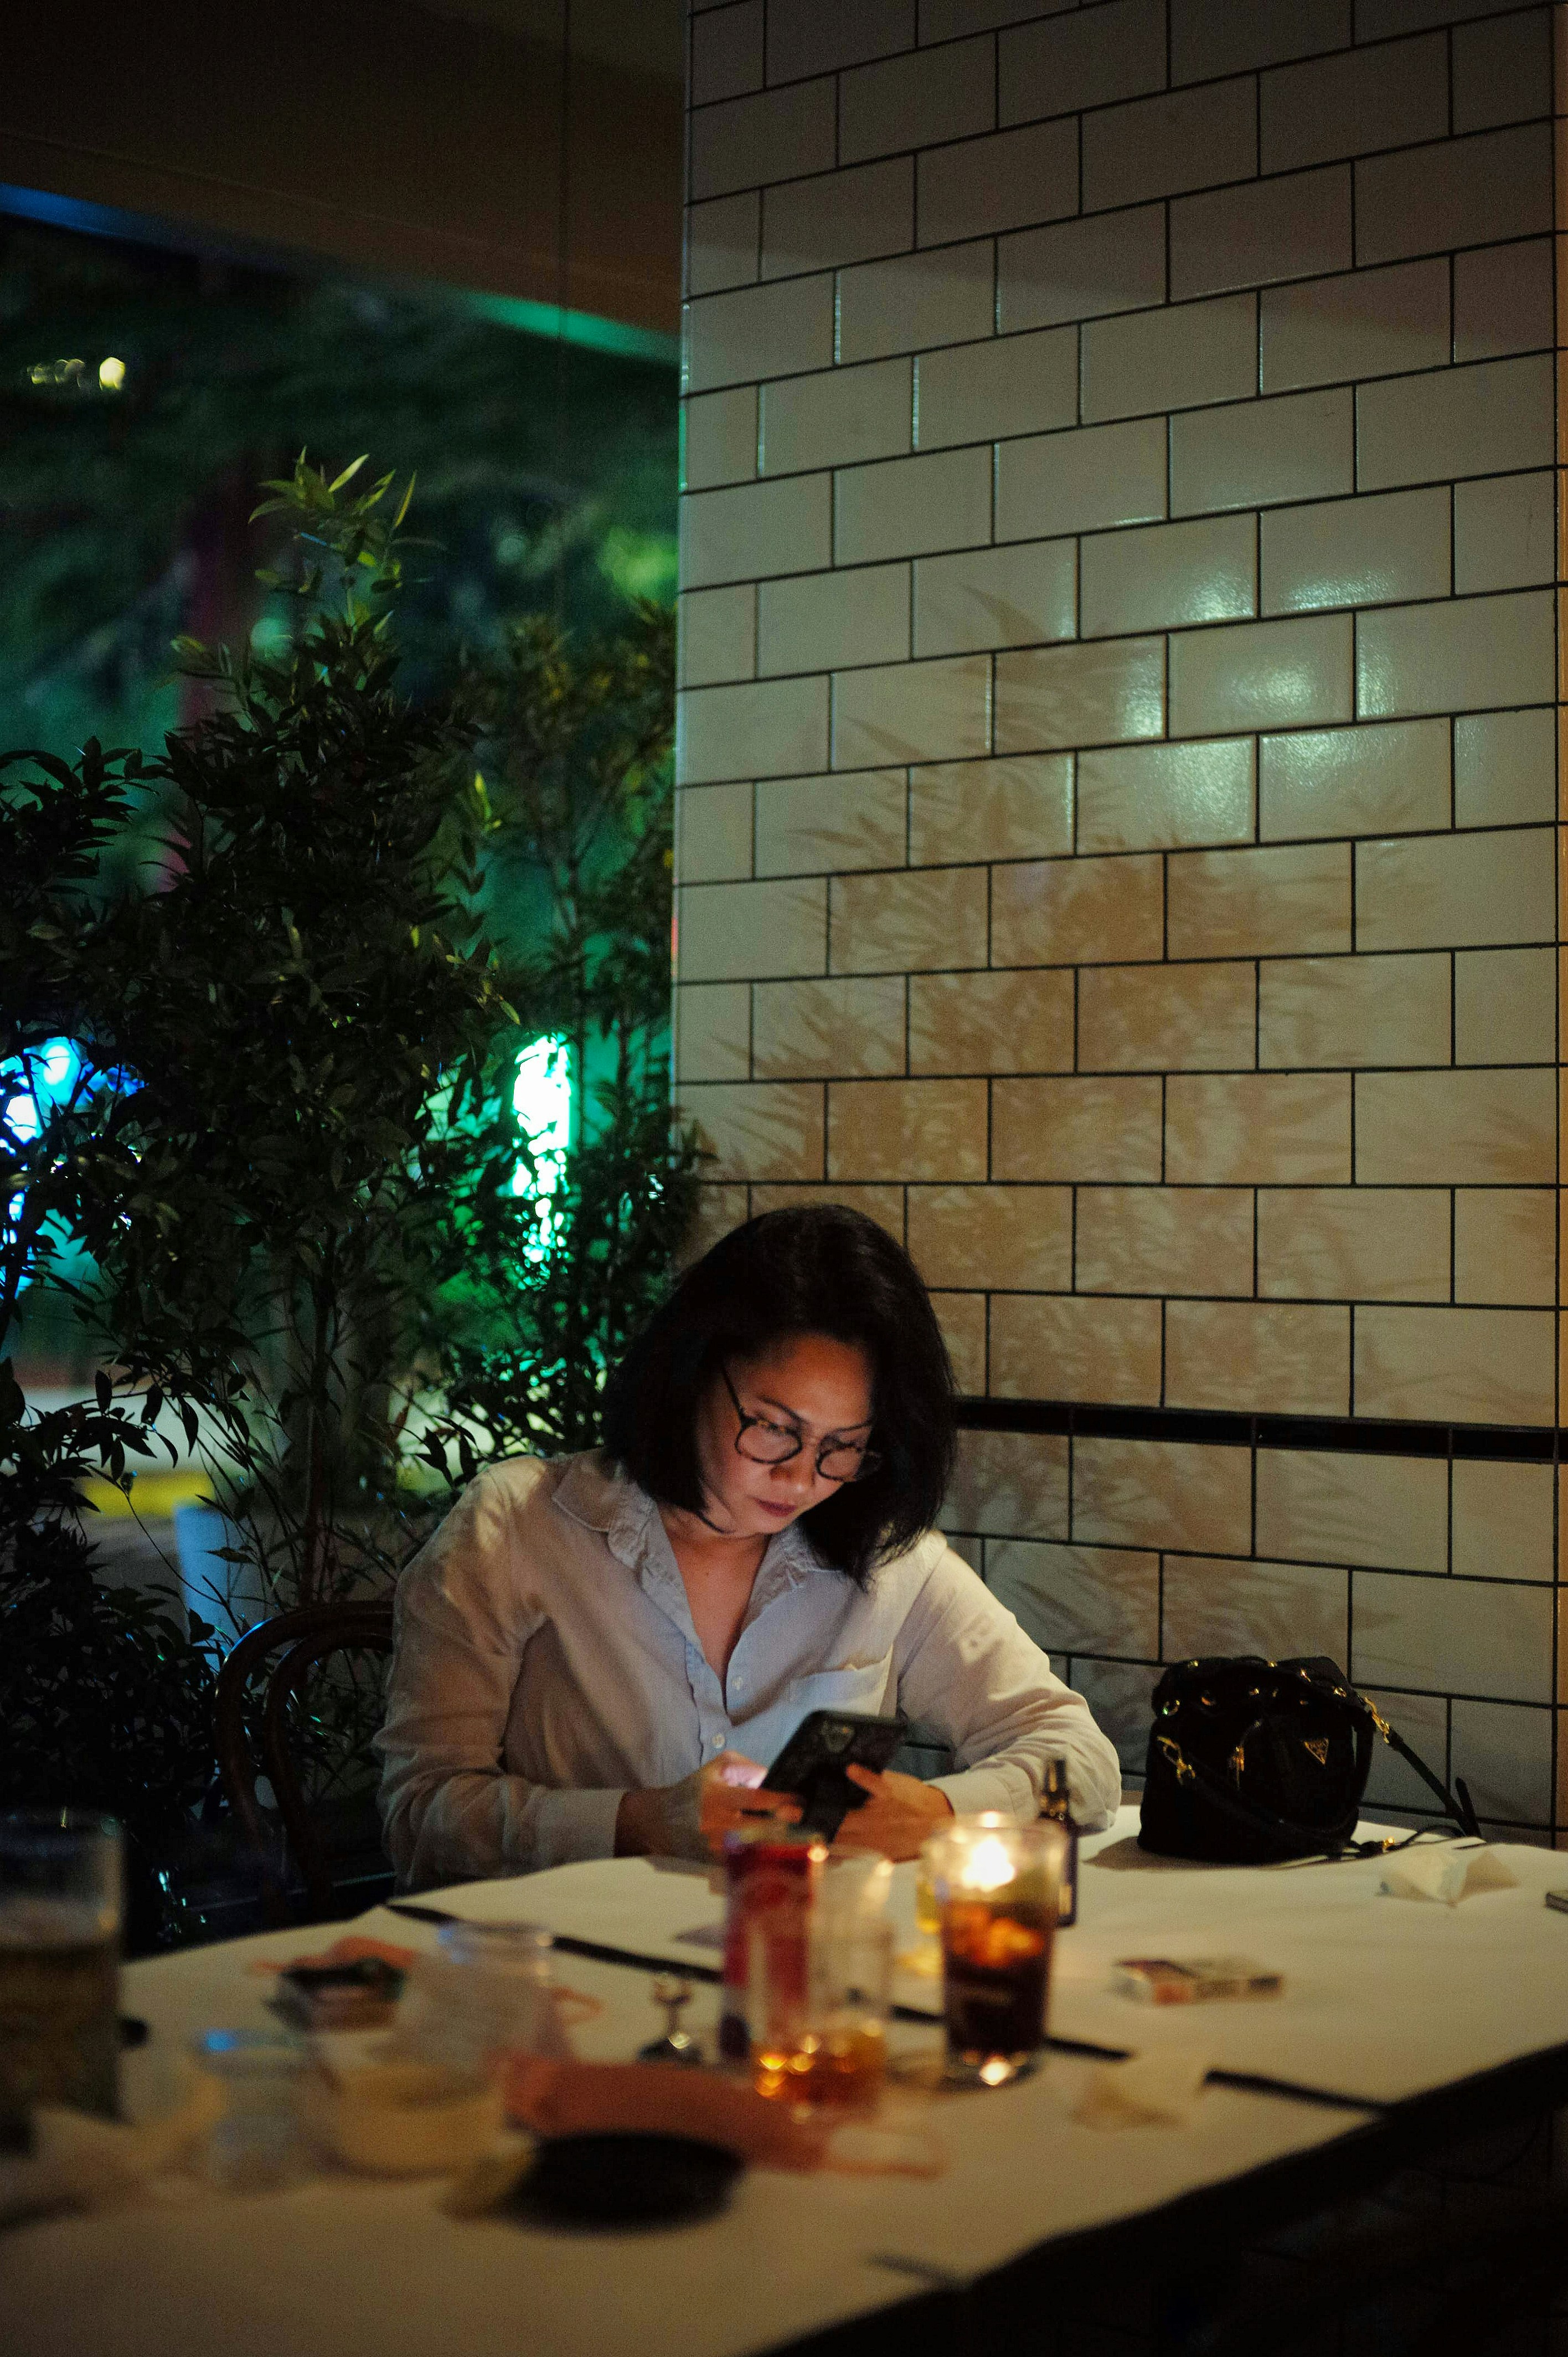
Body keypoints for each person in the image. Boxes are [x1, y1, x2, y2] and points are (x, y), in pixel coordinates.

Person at [376, 1205, 1121, 1890]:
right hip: (563, 1983)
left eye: (843, 1447)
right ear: (695, 1372)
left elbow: (1080, 1757)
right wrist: (634, 1822)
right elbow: (417, 1817)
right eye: (773, 1427)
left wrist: (937, 1812)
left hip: (807, 1970)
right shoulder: (522, 1527)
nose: (801, 1478)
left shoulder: (887, 1559)